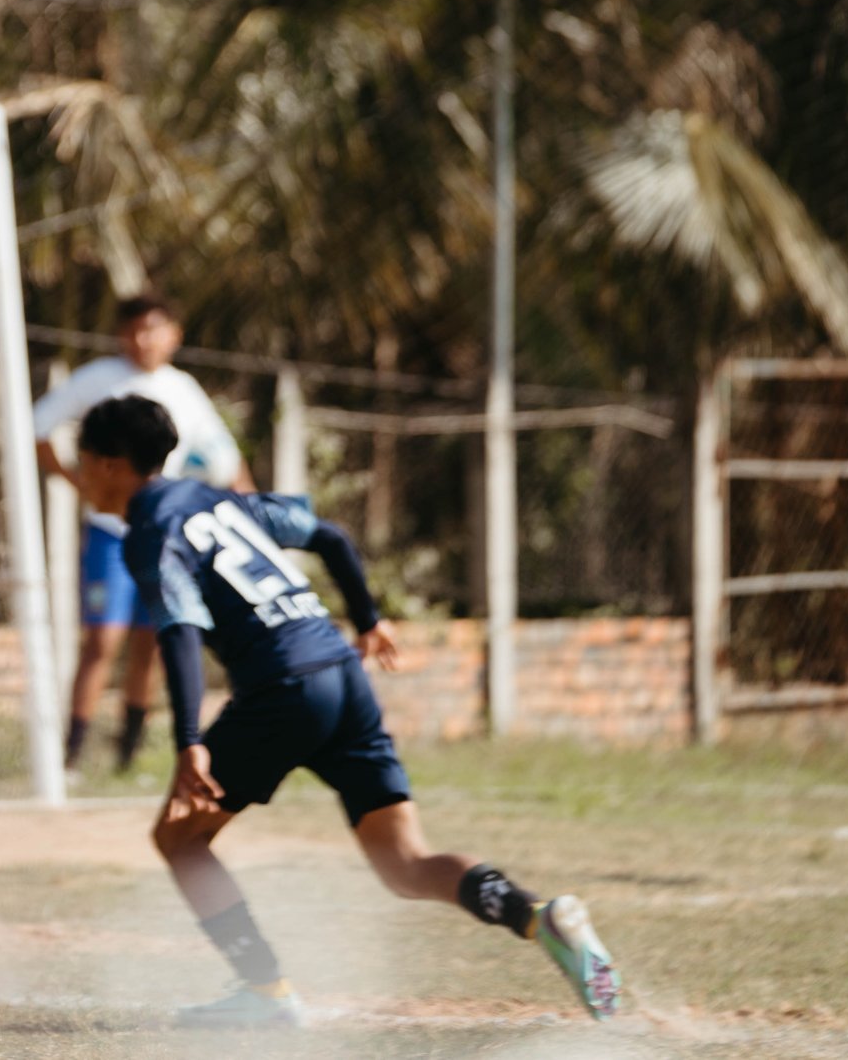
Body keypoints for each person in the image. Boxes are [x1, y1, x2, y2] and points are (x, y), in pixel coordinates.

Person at [71, 394, 621, 1028]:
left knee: (178, 837)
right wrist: (367, 619)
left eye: (83, 462)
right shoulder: (220, 499)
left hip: (281, 686)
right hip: (340, 671)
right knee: (406, 863)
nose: (79, 475)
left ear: (111, 464)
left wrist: (189, 738)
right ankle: (536, 915)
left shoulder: (150, 532)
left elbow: (180, 631)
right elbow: (330, 535)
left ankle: (266, 994)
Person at [32, 294, 253, 773]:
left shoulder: (185, 390)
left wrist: (248, 511)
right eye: (132, 329)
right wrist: (76, 482)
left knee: (150, 645)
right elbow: (39, 428)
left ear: (174, 334)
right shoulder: (97, 379)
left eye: (152, 329)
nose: (141, 339)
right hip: (111, 535)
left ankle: (127, 756)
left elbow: (226, 460)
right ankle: (69, 755)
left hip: (164, 538)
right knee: (101, 642)